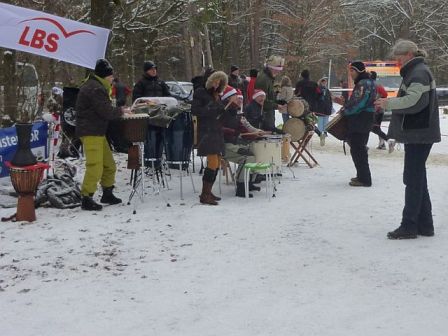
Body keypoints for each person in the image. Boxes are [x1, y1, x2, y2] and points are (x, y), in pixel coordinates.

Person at [374, 40, 441, 239]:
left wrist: (388, 103)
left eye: (399, 57)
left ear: (409, 54)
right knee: (418, 178)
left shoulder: (418, 72)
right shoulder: (416, 70)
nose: (397, 61)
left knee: (412, 179)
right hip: (420, 133)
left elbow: (415, 101)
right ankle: (425, 225)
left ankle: (409, 225)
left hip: (419, 134)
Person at [75, 59, 130, 211]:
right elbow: (105, 111)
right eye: (111, 75)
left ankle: (107, 192)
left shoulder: (97, 86)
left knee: (109, 165)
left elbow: (104, 109)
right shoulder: (95, 88)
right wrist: (121, 111)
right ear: (105, 76)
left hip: (98, 131)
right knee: (95, 166)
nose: (113, 78)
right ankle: (87, 197)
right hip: (90, 131)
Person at [221, 86, 266, 197]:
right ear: (228, 98)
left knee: (252, 154)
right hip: (223, 145)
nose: (239, 100)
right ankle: (241, 187)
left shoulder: (235, 113)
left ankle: (248, 182)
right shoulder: (222, 111)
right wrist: (232, 131)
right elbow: (217, 128)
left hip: (232, 143)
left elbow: (244, 129)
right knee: (247, 157)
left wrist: (256, 134)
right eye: (236, 97)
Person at [191, 69, 228, 205]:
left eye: (219, 81)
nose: (217, 84)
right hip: (206, 132)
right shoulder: (201, 92)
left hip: (216, 131)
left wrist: (225, 111)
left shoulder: (216, 94)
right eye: (215, 80)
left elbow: (219, 113)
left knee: (217, 162)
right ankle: (204, 194)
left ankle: (208, 191)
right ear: (209, 80)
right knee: (212, 162)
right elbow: (195, 110)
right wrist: (212, 109)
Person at [343, 61, 376, 187]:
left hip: (360, 119)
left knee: (358, 149)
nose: (351, 74)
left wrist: (346, 111)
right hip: (366, 118)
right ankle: (362, 175)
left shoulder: (362, 84)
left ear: (359, 71)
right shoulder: (370, 82)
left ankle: (365, 179)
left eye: (353, 71)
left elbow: (359, 103)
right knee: (359, 148)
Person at [255, 55, 287, 131]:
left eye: (279, 70)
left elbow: (269, 96)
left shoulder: (269, 78)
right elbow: (261, 101)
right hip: (263, 116)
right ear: (270, 68)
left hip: (268, 115)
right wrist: (276, 105)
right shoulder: (263, 79)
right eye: (276, 69)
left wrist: (278, 101)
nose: (278, 71)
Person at [369, 71, 395, 152]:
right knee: (376, 128)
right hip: (379, 110)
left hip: (376, 110)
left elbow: (384, 94)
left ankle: (388, 141)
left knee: (373, 128)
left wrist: (377, 101)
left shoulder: (373, 85)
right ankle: (382, 144)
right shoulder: (377, 85)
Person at [315, 77, 333, 145]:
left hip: (327, 108)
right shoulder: (318, 89)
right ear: (321, 82)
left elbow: (330, 99)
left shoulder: (327, 90)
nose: (324, 83)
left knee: (326, 121)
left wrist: (330, 106)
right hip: (320, 108)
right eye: (323, 82)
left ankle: (325, 132)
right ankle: (320, 133)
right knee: (320, 121)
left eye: (325, 82)